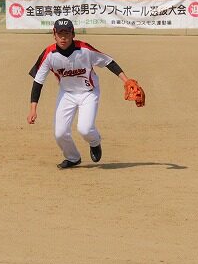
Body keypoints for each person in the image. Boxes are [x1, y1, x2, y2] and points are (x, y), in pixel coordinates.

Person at [27, 19, 137, 169]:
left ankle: (95, 142)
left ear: (73, 34)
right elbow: (38, 82)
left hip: (89, 93)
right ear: (54, 35)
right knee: (60, 134)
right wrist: (33, 108)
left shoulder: (85, 50)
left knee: (84, 129)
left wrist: (126, 80)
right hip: (66, 94)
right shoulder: (49, 54)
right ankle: (73, 157)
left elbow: (108, 62)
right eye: (60, 33)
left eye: (67, 33)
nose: (63, 37)